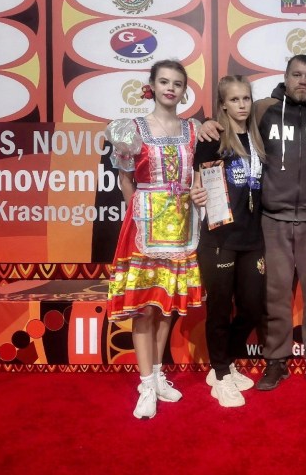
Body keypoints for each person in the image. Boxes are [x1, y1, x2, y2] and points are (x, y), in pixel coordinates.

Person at [202, 54, 306, 392]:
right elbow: (229, 118)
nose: (303, 81)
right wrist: (206, 123)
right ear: (285, 77)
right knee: (275, 296)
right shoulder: (262, 110)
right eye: (296, 74)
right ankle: (276, 360)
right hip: (272, 219)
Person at [105, 59, 202, 420]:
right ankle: (145, 383)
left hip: (181, 227)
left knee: (166, 306)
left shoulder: (193, 130)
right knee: (145, 307)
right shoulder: (132, 129)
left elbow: (197, 177)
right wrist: (138, 215)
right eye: (164, 81)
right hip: (145, 225)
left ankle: (158, 375)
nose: (170, 88)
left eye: (177, 83)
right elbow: (126, 179)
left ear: (184, 90)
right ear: (152, 85)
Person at [190, 76, 266, 408]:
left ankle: (226, 362)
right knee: (220, 309)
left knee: (251, 306)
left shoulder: (258, 139)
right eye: (234, 100)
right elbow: (197, 187)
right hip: (220, 237)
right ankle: (221, 375)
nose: (241, 105)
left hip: (253, 237)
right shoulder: (212, 139)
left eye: (246, 98)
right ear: (223, 104)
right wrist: (196, 194)